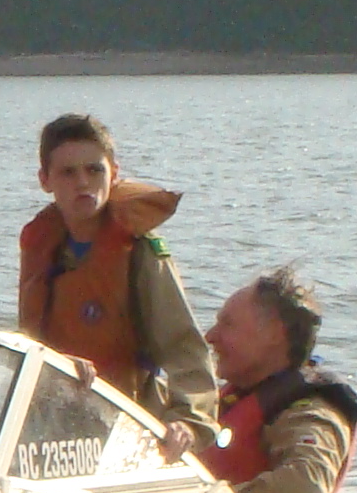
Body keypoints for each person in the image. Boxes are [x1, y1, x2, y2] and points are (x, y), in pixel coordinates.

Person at [15, 112, 215, 433]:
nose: (83, 182)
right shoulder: (41, 245)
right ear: (45, 180)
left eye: (94, 170)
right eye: (68, 172)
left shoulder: (140, 251)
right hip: (54, 419)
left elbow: (184, 348)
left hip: (125, 420)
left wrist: (188, 423)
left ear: (114, 173)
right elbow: (29, 340)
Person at [176, 266, 357, 493]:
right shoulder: (232, 396)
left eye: (227, 324)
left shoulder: (307, 411)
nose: (210, 337)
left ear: (274, 333)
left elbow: (305, 488)